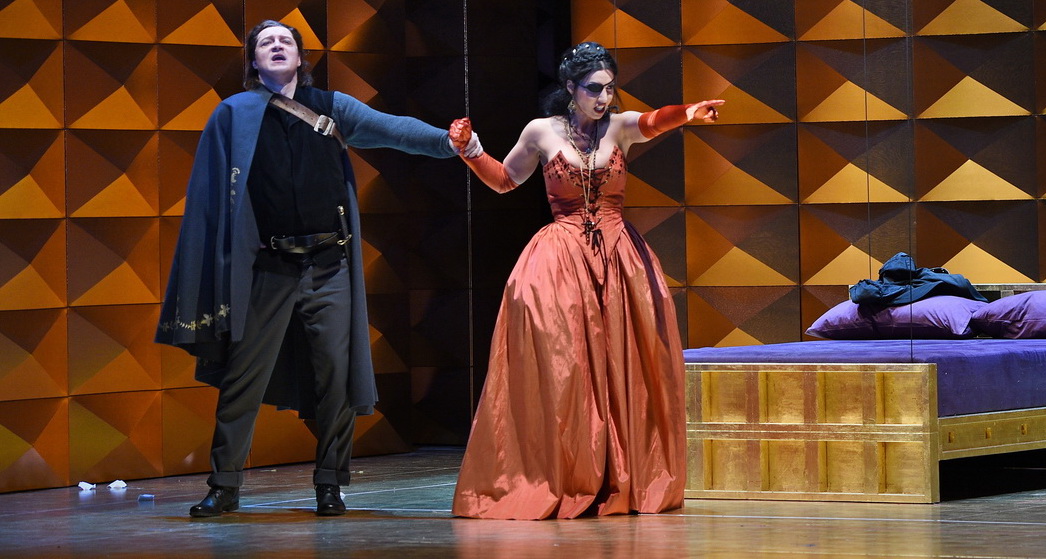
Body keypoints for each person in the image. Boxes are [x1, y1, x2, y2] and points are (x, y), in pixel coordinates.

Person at [156, 20, 475, 518]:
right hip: (267, 268)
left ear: (300, 57)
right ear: (254, 61)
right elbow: (209, 198)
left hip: (328, 266)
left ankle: (330, 484)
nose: (276, 46)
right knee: (243, 378)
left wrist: (447, 142)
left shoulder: (331, 106)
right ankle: (225, 485)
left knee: (335, 377)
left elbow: (392, 129)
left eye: (285, 40)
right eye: (266, 42)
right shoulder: (233, 114)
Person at [447, 41, 723, 520]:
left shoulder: (618, 127)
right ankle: (569, 472)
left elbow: (653, 121)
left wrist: (688, 113)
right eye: (594, 89)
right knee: (566, 368)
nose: (604, 98)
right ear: (570, 88)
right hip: (560, 262)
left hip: (618, 260)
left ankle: (622, 475)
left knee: (626, 364)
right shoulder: (541, 131)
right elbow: (505, 180)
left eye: (610, 89)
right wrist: (470, 150)